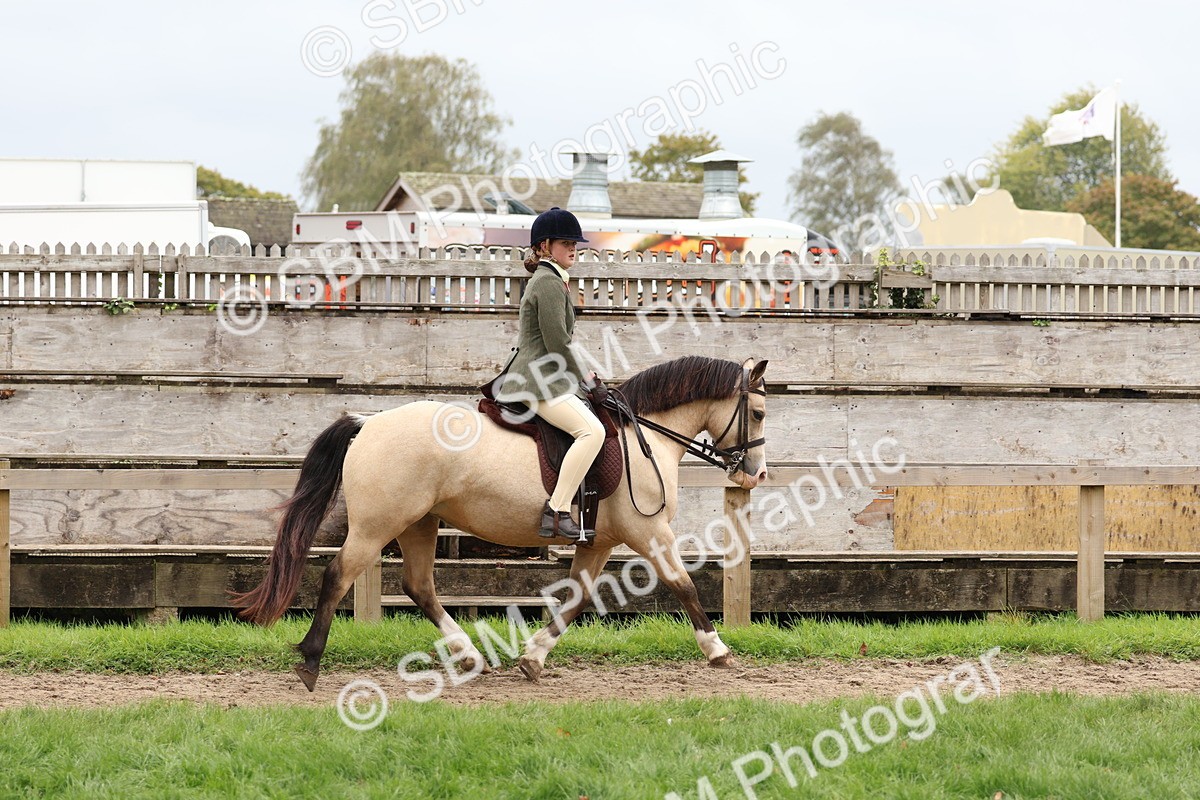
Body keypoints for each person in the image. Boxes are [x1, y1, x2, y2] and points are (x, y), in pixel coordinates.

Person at [503, 207, 604, 540]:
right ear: (544, 246)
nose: (574, 248)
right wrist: (585, 381)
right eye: (565, 242)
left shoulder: (554, 279)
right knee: (592, 432)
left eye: (575, 243)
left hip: (547, 375)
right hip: (538, 381)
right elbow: (558, 343)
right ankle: (558, 511)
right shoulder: (547, 282)